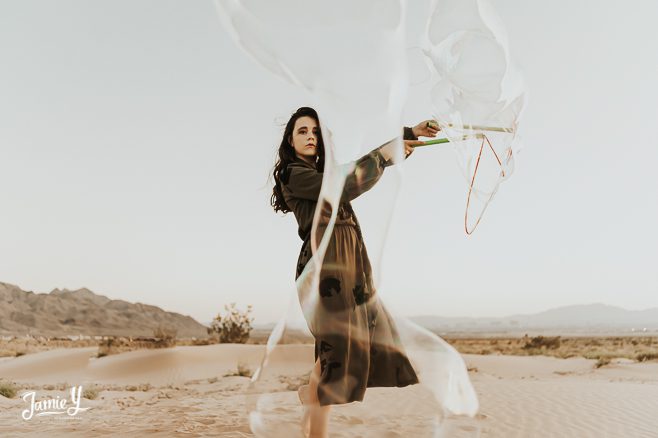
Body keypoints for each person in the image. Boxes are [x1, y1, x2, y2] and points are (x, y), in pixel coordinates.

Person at [270, 107, 440, 438]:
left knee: (335, 351)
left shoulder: (326, 174)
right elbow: (346, 183)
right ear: (290, 141)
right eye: (303, 131)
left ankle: (309, 398)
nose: (310, 137)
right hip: (326, 269)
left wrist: (409, 134)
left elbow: (350, 171)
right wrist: (386, 156)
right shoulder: (294, 175)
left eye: (315, 132)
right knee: (335, 354)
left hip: (351, 266)